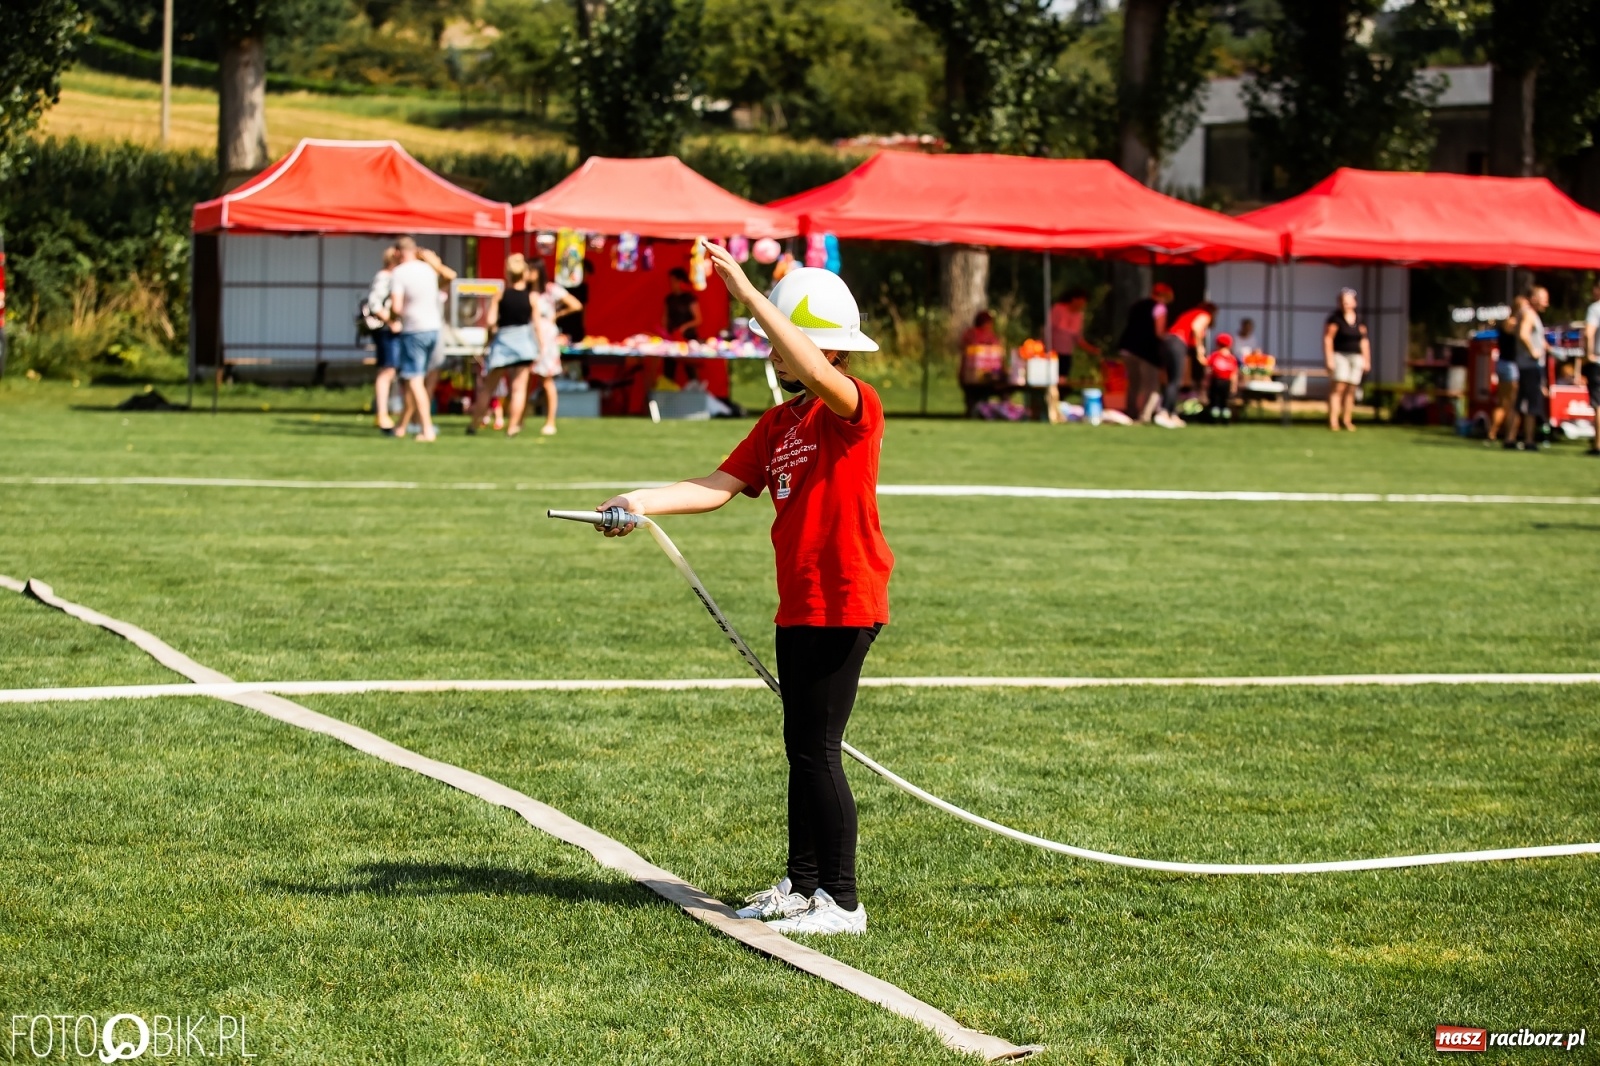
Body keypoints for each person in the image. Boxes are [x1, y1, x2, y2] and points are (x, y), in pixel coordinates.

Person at [595, 244, 890, 937]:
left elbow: (818, 369)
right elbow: (716, 488)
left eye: (778, 337)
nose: (772, 351)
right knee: (801, 747)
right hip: (801, 602)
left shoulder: (853, 408)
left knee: (818, 748)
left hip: (844, 597)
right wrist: (638, 502)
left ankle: (842, 902)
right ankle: (802, 882)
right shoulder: (778, 425)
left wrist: (751, 295)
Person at [466, 254, 537, 439]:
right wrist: (540, 347)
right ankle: (512, 427)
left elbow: (490, 322)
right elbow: (536, 325)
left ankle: (474, 425)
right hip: (523, 344)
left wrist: (488, 342)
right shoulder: (531, 298)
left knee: (489, 387)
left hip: (503, 342)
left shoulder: (500, 295)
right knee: (519, 388)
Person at [387, 236, 450, 443]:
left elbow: (396, 308)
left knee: (413, 381)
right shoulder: (428, 269)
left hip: (414, 330)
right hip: (435, 329)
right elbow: (449, 277)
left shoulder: (399, 272)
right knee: (421, 381)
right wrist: (435, 262)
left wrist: (392, 318)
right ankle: (402, 427)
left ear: (397, 252)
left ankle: (426, 429)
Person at [529, 259, 583, 437]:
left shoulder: (550, 290)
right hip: (528, 336)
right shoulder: (526, 291)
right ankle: (519, 419)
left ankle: (550, 421)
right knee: (524, 380)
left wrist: (557, 314)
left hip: (546, 338)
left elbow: (575, 304)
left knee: (546, 379)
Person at [1116, 282, 1171, 425]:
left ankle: (1131, 412)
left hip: (1128, 348)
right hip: (1147, 351)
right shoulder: (1159, 307)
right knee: (1151, 385)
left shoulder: (1137, 305)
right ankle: (1144, 415)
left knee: (1134, 383)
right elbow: (1159, 332)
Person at [364, 246, 401, 432]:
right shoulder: (384, 277)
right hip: (386, 330)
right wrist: (391, 321)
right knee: (387, 370)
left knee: (391, 371)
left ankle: (388, 410)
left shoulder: (393, 277)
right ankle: (382, 413)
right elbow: (374, 303)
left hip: (391, 329)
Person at [1323, 287, 1370, 433]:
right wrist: (1329, 359)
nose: (1346, 304)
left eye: (1349, 302)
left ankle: (1347, 420)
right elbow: (1328, 339)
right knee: (1338, 387)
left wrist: (1367, 359)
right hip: (1340, 356)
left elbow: (1364, 340)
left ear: (1354, 303)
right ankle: (1333, 420)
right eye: (1343, 302)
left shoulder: (1359, 319)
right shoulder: (1335, 319)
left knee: (1351, 389)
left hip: (1356, 357)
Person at [1162, 299, 1216, 426]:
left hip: (1169, 341)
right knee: (1175, 380)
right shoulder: (1204, 314)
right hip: (1177, 342)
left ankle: (1171, 412)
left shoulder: (1191, 313)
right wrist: (1200, 350)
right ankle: (1165, 412)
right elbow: (1196, 328)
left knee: (1172, 379)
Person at [1511, 285, 1551, 451]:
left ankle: (1510, 438)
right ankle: (1529, 440)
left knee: (1519, 403)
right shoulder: (1529, 313)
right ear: (1534, 298)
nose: (1547, 304)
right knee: (1532, 404)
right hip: (1531, 365)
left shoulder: (1528, 313)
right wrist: (1533, 352)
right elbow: (1523, 334)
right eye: (1544, 299)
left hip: (1526, 365)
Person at [1489, 294, 1528, 446]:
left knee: (1502, 403)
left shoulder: (1506, 322)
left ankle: (1493, 433)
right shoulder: (1513, 323)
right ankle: (1509, 435)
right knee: (1513, 403)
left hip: (1502, 364)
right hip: (1511, 365)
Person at [1204, 332, 1239, 423]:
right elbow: (1234, 374)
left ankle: (1213, 418)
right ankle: (1225, 418)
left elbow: (1208, 370)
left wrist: (1206, 382)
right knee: (1225, 401)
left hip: (1215, 381)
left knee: (1214, 400)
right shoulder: (1232, 358)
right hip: (1226, 382)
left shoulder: (1214, 356)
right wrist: (1234, 386)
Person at [556, 258, 592, 342]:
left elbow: (583, 308)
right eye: (585, 273)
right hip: (563, 323)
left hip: (576, 325)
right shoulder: (562, 285)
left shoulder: (583, 288)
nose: (585, 277)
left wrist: (583, 326)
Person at [1583, 281, 1600, 457]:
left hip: (1597, 361)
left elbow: (1588, 332)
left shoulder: (1595, 308)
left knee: (1598, 404)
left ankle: (1598, 444)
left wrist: (1588, 354)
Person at [664, 267, 704, 342]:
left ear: (681, 281)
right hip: (673, 338)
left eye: (674, 281)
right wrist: (665, 332)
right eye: (671, 281)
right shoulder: (669, 299)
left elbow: (698, 319)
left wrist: (684, 327)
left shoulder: (689, 298)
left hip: (689, 338)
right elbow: (665, 318)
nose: (672, 284)